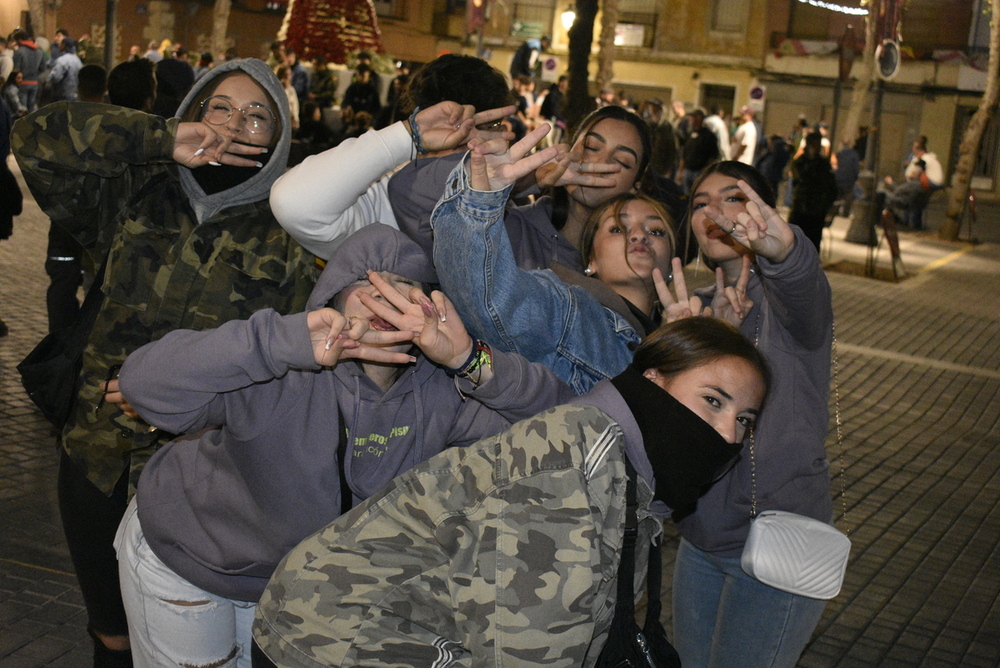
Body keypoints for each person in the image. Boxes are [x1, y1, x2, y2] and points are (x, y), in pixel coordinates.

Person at [113, 223, 570, 668]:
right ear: (331, 296)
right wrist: (278, 342)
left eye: (404, 284)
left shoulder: (440, 393)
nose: (382, 295)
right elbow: (143, 384)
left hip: (291, 590)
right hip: (186, 556)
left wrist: (471, 360)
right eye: (364, 281)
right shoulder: (283, 367)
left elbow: (564, 430)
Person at [12, 58, 317, 667]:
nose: (236, 124)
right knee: (111, 634)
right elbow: (36, 138)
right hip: (97, 454)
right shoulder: (137, 188)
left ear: (279, 136)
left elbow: (295, 364)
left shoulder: (294, 233)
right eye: (220, 107)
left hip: (204, 473)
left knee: (184, 637)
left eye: (259, 115)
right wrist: (161, 137)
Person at [253, 316, 770, 668]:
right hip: (329, 636)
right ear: (654, 382)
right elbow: (530, 646)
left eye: (743, 419)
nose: (727, 434)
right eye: (712, 401)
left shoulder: (631, 469)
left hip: (395, 623)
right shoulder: (572, 467)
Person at [672, 160, 834, 668]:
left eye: (731, 198)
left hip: (781, 541)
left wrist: (782, 253)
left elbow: (799, 279)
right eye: (699, 203)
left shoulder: (789, 305)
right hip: (700, 539)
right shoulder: (694, 311)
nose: (712, 212)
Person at [429, 121, 677, 394]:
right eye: (618, 228)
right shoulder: (573, 308)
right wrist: (482, 198)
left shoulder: (675, 343)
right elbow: (494, 301)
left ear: (672, 267)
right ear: (589, 261)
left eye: (655, 230)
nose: (639, 236)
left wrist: (685, 349)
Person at [271, 53, 515, 259]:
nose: (506, 135)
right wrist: (409, 136)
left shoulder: (507, 202)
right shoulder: (380, 194)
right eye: (494, 126)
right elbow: (292, 203)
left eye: (499, 125)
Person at [389, 104, 653, 277]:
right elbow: (406, 191)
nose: (599, 163)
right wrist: (522, 179)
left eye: (622, 161)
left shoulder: (636, 255)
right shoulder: (508, 228)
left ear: (636, 184)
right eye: (592, 147)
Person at [789, 131, 839, 252]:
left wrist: (826, 204)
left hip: (817, 210)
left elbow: (830, 184)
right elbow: (802, 179)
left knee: (813, 242)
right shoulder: (800, 162)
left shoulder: (823, 163)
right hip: (801, 207)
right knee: (797, 241)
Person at [676, 108, 719, 194]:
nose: (691, 120)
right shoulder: (690, 133)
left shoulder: (708, 136)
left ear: (699, 118)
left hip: (699, 172)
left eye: (693, 117)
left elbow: (713, 156)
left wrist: (704, 171)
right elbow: (684, 153)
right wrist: (681, 171)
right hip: (687, 171)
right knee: (685, 195)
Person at [11, 30, 43, 112]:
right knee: (32, 110)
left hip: (22, 83)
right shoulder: (39, 51)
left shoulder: (19, 51)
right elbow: (43, 68)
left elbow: (16, 70)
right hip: (35, 83)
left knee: (23, 110)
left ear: (19, 40)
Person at [47, 35, 83, 101]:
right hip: (74, 95)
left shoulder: (62, 60)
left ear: (64, 45)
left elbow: (56, 77)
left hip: (62, 96)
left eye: (61, 44)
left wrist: (49, 78)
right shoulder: (78, 60)